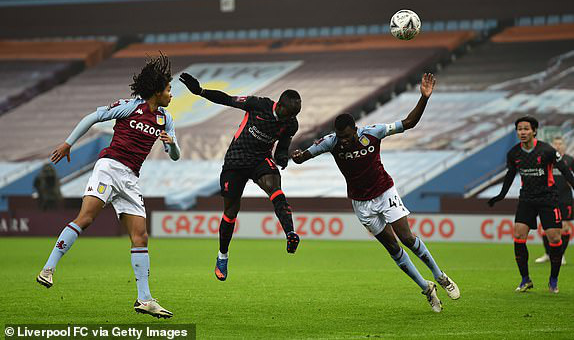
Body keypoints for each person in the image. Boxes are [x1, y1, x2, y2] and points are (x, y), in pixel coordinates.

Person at [291, 73, 459, 313]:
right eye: (341, 138)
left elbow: (408, 123)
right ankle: (426, 288)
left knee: (407, 238)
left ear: (355, 130)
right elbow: (302, 157)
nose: (344, 142)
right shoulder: (331, 142)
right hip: (361, 204)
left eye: (347, 137)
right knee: (392, 248)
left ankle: (440, 275)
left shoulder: (374, 132)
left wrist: (424, 98)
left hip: (384, 191)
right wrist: (298, 156)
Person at [36, 54, 179, 318]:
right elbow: (93, 117)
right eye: (169, 89)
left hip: (131, 178)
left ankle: (144, 299)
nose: (172, 94)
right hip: (109, 167)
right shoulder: (129, 107)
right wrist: (68, 143)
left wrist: (172, 144)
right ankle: (48, 269)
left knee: (141, 236)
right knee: (86, 218)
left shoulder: (165, 120)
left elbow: (175, 155)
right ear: (157, 91)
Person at [179, 72, 301, 282]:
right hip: (236, 159)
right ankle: (222, 256)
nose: (291, 119)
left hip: (260, 160)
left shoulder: (291, 124)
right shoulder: (258, 104)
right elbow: (227, 99)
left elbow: (283, 147)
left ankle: (290, 233)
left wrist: (282, 157)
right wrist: (200, 91)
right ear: (279, 105)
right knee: (231, 211)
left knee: (275, 188)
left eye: (293, 116)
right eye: (289, 114)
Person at [488, 117, 574, 293]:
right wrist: (501, 195)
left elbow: (565, 171)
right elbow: (510, 175)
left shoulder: (547, 151)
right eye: (519, 129)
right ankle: (525, 279)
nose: (522, 132)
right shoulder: (514, 154)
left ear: (534, 131)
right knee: (518, 236)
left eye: (526, 129)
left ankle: (553, 280)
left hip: (548, 199)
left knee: (555, 239)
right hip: (527, 199)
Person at [534, 136, 573, 265]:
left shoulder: (570, 160)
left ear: (564, 146)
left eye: (560, 144)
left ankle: (560, 255)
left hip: (565, 198)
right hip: (549, 198)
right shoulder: (546, 160)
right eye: (555, 144)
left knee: (565, 228)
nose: (558, 146)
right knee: (547, 228)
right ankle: (547, 254)